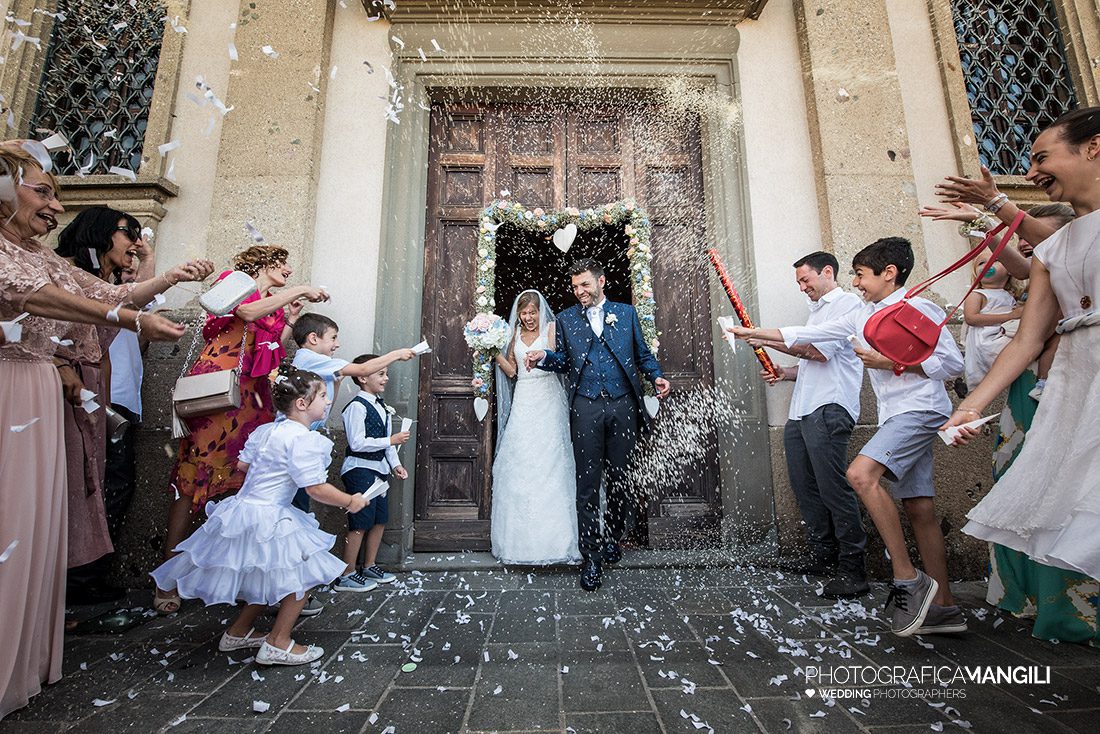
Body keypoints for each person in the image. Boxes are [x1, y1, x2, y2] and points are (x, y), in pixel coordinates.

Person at [0, 147, 188, 719]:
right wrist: (129, 320)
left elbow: (107, 293)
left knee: (34, 522)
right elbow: (39, 299)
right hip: (10, 386)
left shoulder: (36, 254)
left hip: (32, 387)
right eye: (43, 191)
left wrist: (164, 278)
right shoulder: (12, 259)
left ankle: (20, 664)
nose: (55, 204)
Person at [728, 238, 965, 637]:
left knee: (858, 476)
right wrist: (750, 332)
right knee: (920, 508)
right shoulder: (863, 316)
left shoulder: (917, 308)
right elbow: (805, 333)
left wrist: (891, 362)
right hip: (895, 415)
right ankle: (945, 607)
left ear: (889, 273)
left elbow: (952, 363)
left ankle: (906, 578)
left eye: (860, 274)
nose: (855, 283)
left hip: (921, 410)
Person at [943, 107, 1100, 645]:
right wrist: (971, 403)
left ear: (1093, 148)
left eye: (1041, 157)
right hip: (1076, 390)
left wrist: (994, 204)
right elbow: (1028, 340)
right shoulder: (1052, 251)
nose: (1032, 171)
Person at [150, 363, 365, 666]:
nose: (327, 401)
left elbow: (243, 467)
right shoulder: (305, 440)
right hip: (270, 515)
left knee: (260, 574)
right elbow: (314, 488)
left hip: (243, 510)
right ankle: (279, 641)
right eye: (322, 397)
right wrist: (349, 500)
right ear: (302, 405)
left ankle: (238, 631)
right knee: (299, 577)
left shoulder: (266, 431)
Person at [156, 246, 329, 615]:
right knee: (193, 479)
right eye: (281, 263)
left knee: (248, 488)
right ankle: (167, 577)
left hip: (253, 395)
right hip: (219, 392)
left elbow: (272, 345)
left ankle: (241, 582)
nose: (287, 268)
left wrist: (289, 313)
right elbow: (246, 312)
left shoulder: (271, 302)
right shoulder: (234, 283)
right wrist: (298, 290)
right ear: (262, 265)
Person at [524, 259, 670, 591]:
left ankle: (613, 538)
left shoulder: (627, 313)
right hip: (585, 407)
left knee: (621, 479)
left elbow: (642, 353)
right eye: (575, 287)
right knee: (587, 484)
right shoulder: (565, 319)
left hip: (622, 406)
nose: (580, 292)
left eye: (585, 285)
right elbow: (562, 360)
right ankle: (590, 557)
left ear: (600, 281)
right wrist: (543, 357)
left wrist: (657, 375)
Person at [55, 207, 175, 604]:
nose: (135, 242)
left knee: (109, 485)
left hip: (109, 397)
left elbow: (136, 300)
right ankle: (75, 582)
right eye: (129, 232)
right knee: (87, 485)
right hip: (79, 393)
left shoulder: (106, 285)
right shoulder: (71, 278)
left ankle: (87, 576)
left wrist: (158, 267)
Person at [747, 252, 868, 598]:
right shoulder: (816, 310)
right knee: (805, 485)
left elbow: (817, 352)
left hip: (829, 409)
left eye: (805, 280)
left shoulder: (847, 306)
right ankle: (822, 553)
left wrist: (764, 338)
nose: (802, 288)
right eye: (799, 282)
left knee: (833, 487)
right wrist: (784, 373)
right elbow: (816, 363)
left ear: (827, 272)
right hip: (802, 411)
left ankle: (853, 567)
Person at [286, 312, 415, 513]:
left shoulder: (313, 362)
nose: (337, 345)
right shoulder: (311, 358)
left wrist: (336, 383)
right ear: (313, 338)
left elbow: (328, 403)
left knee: (298, 497)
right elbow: (363, 370)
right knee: (297, 501)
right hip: (298, 435)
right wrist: (396, 355)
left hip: (304, 433)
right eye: (333, 338)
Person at [491, 289, 581, 566]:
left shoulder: (552, 329)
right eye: (524, 313)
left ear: (541, 312)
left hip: (548, 399)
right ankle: (520, 543)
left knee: (552, 462)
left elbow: (563, 362)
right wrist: (492, 350)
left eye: (533, 312)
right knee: (521, 462)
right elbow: (512, 371)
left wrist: (543, 358)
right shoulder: (515, 335)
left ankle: (559, 540)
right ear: (518, 314)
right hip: (524, 400)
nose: (529, 318)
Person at [333, 354, 409, 591]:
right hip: (359, 469)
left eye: (386, 373)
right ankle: (347, 573)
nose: (386, 378)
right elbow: (357, 443)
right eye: (381, 373)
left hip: (379, 470)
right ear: (363, 377)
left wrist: (395, 464)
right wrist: (391, 438)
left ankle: (369, 564)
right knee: (360, 521)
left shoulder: (382, 406)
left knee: (379, 520)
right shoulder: (357, 406)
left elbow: (387, 445)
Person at [962, 252, 1022, 390]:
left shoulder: (1010, 296)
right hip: (987, 341)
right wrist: (1010, 316)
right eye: (981, 263)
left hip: (1004, 335)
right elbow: (971, 318)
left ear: (1009, 270)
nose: (987, 264)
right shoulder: (977, 295)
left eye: (995, 261)